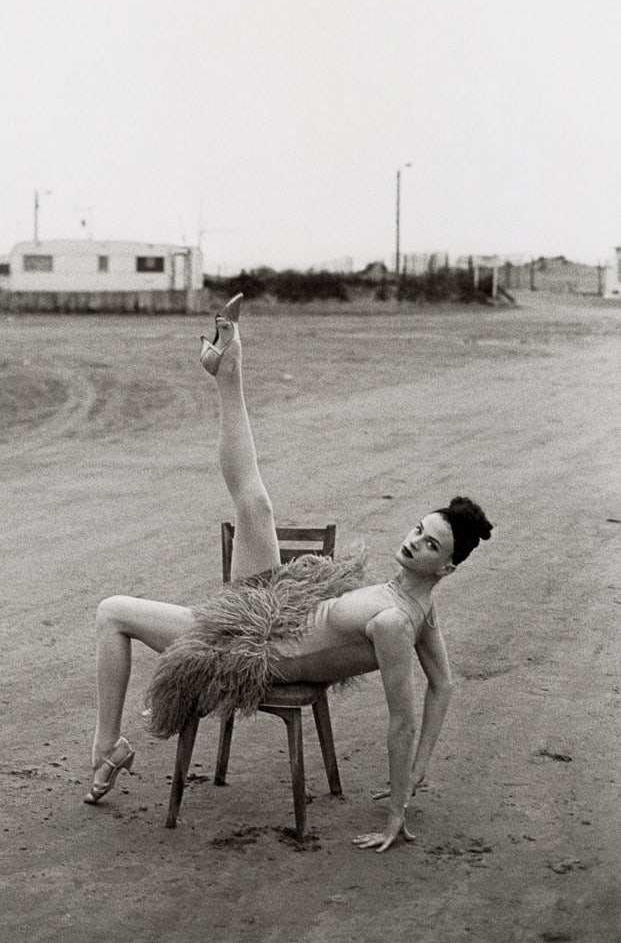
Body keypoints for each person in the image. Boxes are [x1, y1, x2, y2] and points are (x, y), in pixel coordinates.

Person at [85, 295, 493, 853]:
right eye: (419, 528)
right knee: (255, 505)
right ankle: (229, 365)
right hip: (279, 608)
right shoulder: (417, 604)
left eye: (429, 545)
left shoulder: (399, 623)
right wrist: (420, 772)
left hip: (254, 652)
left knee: (112, 611)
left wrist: (399, 806)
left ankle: (105, 748)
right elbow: (446, 685)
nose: (413, 541)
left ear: (444, 567)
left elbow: (404, 718)